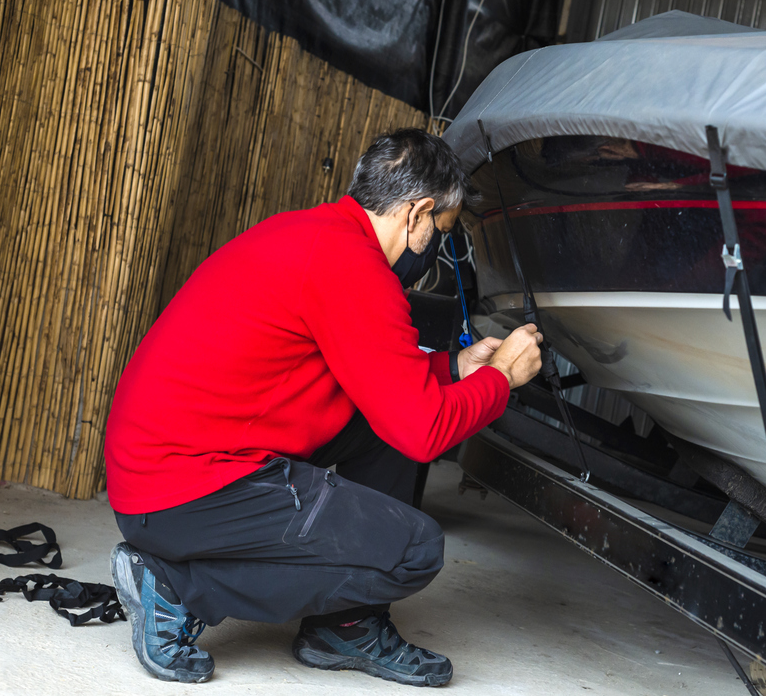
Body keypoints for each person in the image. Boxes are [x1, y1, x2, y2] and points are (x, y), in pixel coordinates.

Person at [104, 127, 543, 687]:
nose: (436, 245)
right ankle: (175, 587)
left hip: (164, 472)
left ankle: (346, 627)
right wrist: (503, 377)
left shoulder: (317, 236)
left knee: (381, 425)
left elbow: (379, 377)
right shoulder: (352, 268)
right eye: (441, 230)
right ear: (417, 214)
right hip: (182, 491)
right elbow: (425, 429)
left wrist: (459, 369)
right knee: (414, 550)